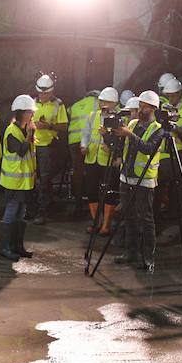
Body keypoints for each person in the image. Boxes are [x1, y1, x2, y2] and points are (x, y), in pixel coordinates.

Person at [113, 91, 167, 271]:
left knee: (146, 219)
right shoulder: (133, 123)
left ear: (153, 108)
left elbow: (148, 149)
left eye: (144, 105)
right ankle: (130, 253)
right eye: (140, 105)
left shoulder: (158, 129)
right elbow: (121, 145)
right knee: (129, 216)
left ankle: (149, 258)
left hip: (144, 181)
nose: (141, 108)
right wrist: (111, 134)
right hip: (127, 176)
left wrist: (129, 134)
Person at [0, 95, 37, 261]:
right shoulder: (11, 131)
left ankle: (17, 246)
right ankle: (5, 248)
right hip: (13, 182)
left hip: (25, 182)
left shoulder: (26, 129)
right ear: (22, 113)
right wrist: (29, 135)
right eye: (30, 112)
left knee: (21, 214)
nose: (32, 115)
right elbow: (21, 150)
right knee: (11, 213)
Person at [156, 77, 182, 224]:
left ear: (180, 93)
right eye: (168, 95)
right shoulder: (165, 106)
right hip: (165, 150)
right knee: (164, 180)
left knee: (177, 183)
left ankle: (176, 211)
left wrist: (178, 129)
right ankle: (166, 209)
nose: (171, 98)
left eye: (173, 95)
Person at [29, 74, 69, 224]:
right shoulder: (32, 103)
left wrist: (49, 126)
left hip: (48, 146)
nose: (43, 95)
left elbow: (64, 126)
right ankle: (31, 208)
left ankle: (42, 212)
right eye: (40, 92)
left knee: (45, 179)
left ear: (52, 91)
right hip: (33, 145)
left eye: (45, 93)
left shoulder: (58, 104)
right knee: (32, 178)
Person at [81, 87, 121, 235]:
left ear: (115, 104)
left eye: (107, 102)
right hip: (92, 159)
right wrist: (83, 146)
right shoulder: (93, 115)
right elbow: (85, 133)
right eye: (102, 101)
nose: (104, 104)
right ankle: (96, 223)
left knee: (109, 193)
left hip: (108, 161)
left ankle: (106, 225)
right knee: (91, 191)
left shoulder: (118, 119)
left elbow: (121, 140)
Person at [67, 89, 99, 204]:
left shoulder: (75, 106)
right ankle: (93, 202)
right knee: (93, 171)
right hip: (90, 141)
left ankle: (78, 203)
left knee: (77, 172)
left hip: (74, 142)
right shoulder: (98, 103)